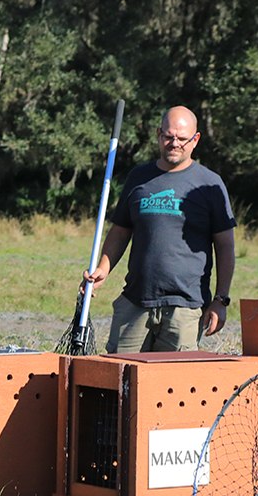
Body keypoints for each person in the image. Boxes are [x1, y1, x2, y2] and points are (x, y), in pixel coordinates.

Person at [84, 106, 236, 353]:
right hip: (135, 301)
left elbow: (225, 246)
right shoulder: (138, 178)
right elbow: (120, 231)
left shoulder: (209, 184)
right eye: (168, 136)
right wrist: (103, 269)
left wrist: (221, 300)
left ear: (195, 139)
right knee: (120, 372)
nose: (174, 143)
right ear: (158, 134)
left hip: (185, 307)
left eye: (182, 138)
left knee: (173, 378)